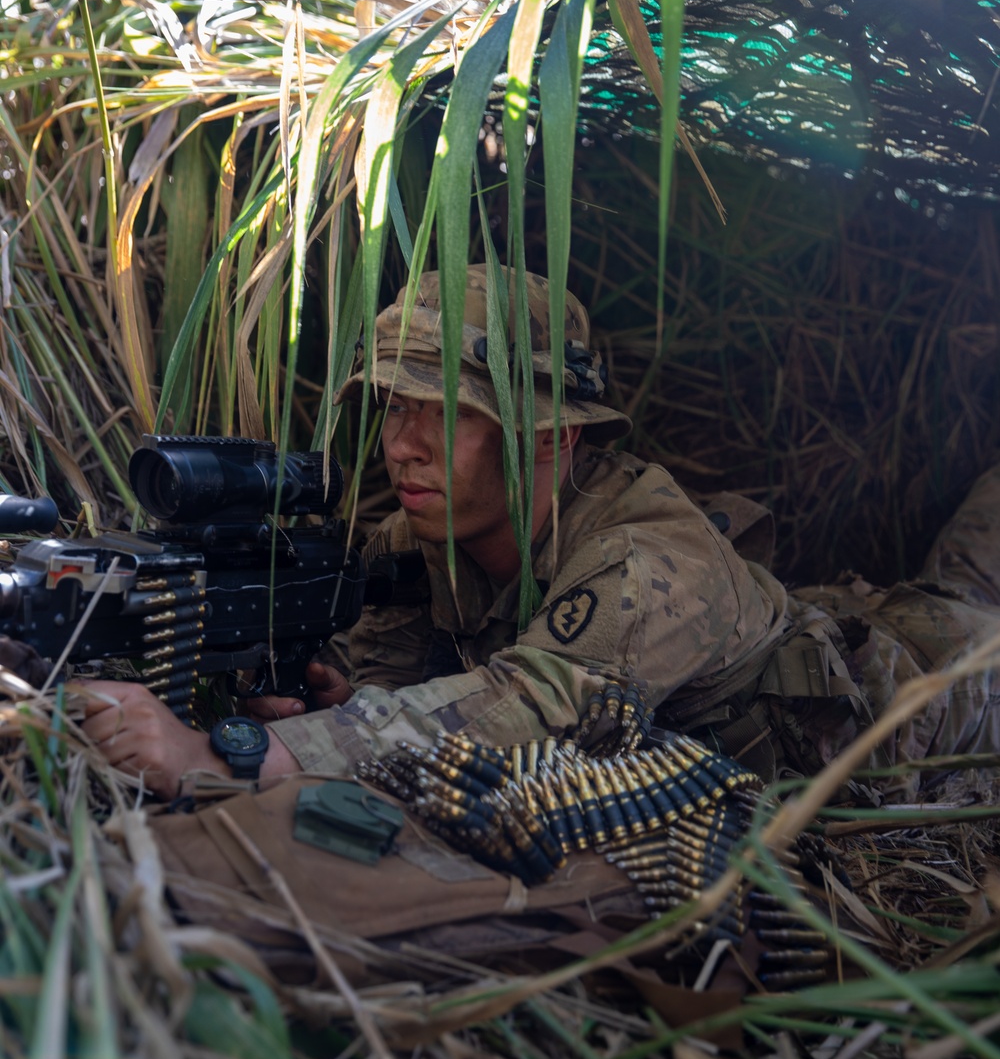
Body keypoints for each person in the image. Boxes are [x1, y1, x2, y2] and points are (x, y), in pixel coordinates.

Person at [77, 263, 1000, 805]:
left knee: (967, 600)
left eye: (445, 415)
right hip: (807, 620)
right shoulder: (418, 544)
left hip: (927, 691)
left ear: (549, 437)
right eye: (395, 408)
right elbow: (393, 689)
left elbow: (532, 710)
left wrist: (226, 758)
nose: (402, 445)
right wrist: (339, 702)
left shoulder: (647, 566)